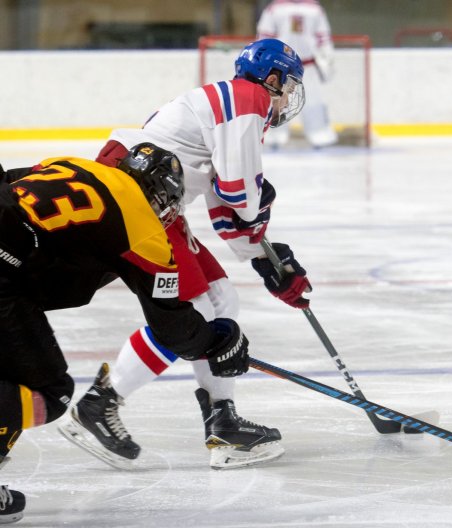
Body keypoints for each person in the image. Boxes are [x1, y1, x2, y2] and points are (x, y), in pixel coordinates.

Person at [58, 38, 313, 471]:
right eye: (287, 86)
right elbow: (240, 196)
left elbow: (226, 206)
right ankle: (100, 405)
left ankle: (223, 422)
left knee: (220, 300)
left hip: (156, 202)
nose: (287, 97)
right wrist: (261, 209)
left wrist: (266, 261)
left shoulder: (231, 105)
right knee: (190, 310)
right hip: (133, 197)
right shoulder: (247, 99)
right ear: (271, 79)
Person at [0, 143, 251, 524]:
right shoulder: (141, 224)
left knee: (10, 375)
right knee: (49, 394)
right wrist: (220, 340)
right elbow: (173, 328)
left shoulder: (69, 164)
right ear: (159, 193)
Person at [257, 0, 338, 148]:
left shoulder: (314, 9)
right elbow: (265, 37)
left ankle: (319, 134)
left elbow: (323, 37)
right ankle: (275, 136)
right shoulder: (275, 9)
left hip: (306, 65)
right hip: (282, 66)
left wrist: (327, 57)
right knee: (278, 102)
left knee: (313, 102)